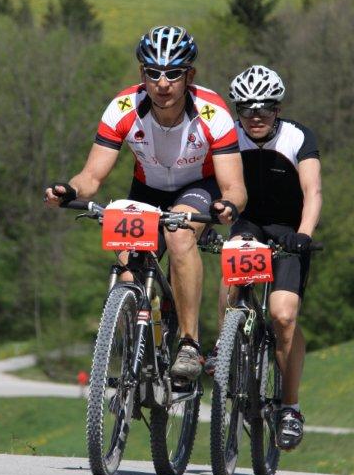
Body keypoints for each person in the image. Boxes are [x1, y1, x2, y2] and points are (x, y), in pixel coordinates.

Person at [45, 25, 247, 381]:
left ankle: (188, 343)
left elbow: (234, 187)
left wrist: (227, 204)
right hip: (147, 190)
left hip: (198, 188)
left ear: (190, 76)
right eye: (153, 73)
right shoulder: (123, 108)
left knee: (179, 235)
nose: (163, 83)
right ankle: (141, 349)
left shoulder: (212, 112)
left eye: (173, 74)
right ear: (143, 74)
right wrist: (70, 190)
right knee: (127, 265)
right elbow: (91, 177)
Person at [205, 65, 322, 450]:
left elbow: (313, 191)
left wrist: (304, 235)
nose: (255, 116)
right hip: (248, 224)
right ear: (237, 110)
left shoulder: (298, 136)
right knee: (232, 272)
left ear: (278, 108)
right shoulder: (229, 136)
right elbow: (213, 185)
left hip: (289, 230)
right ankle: (224, 347)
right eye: (246, 108)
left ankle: (290, 407)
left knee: (283, 316)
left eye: (265, 108)